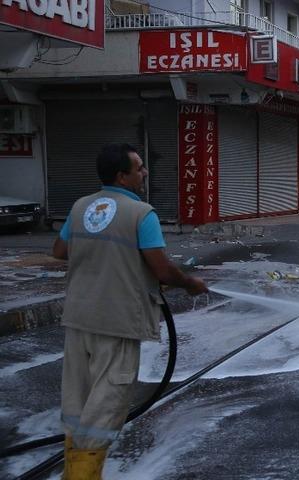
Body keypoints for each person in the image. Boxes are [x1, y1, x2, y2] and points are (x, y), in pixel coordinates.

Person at [52, 143, 208, 479]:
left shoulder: (81, 206)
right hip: (117, 322)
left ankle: (75, 470)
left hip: (79, 317)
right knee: (105, 410)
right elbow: (163, 270)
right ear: (122, 176)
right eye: (139, 168)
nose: (145, 172)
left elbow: (61, 250)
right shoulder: (141, 213)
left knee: (78, 404)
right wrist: (190, 283)